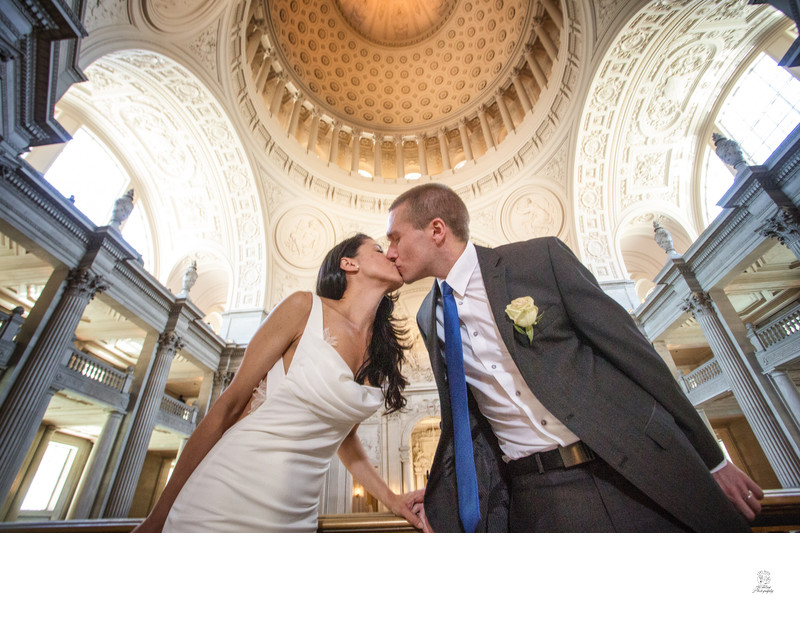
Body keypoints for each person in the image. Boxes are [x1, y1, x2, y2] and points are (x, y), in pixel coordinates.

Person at [385, 182, 763, 532]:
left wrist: (711, 459)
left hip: (630, 468)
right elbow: (463, 423)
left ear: (436, 230)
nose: (390, 252)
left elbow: (637, 358)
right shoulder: (428, 316)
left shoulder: (537, 260)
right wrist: (440, 497)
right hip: (539, 498)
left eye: (396, 238)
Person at [135, 234, 425, 532]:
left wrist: (392, 500)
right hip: (224, 494)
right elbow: (228, 407)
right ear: (348, 263)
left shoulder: (378, 353)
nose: (390, 255)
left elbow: (345, 439)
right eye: (378, 249)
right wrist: (158, 517)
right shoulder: (303, 308)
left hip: (295, 516)